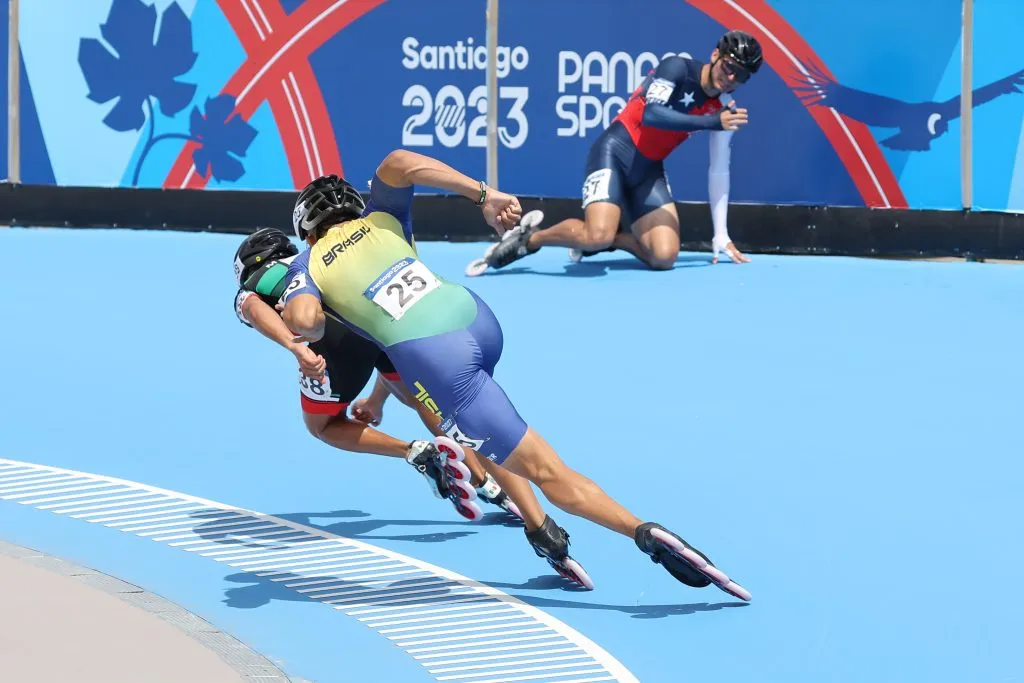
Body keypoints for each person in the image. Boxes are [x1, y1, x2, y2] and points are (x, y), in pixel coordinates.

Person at [279, 149, 752, 600]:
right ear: (352, 205)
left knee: (547, 470)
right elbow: (399, 163)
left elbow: (304, 320)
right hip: (477, 321)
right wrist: (484, 195)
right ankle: (537, 526)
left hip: (442, 363)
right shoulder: (380, 215)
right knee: (483, 429)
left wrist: (315, 321)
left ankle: (642, 531)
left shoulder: (308, 263)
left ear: (308, 232)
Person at [232, 227, 524, 522]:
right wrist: (376, 400)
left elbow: (252, 306)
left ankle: (412, 451)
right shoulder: (314, 256)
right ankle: (486, 480)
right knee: (421, 397)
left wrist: (297, 349)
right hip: (379, 327)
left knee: (323, 426)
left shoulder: (256, 283)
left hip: (328, 348)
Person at [472, 30, 763, 274]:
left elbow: (719, 170)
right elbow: (652, 115)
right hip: (614, 153)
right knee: (596, 235)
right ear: (715, 56)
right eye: (729, 67)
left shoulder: (725, 109)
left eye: (742, 76)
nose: (732, 78)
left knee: (664, 258)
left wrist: (721, 235)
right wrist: (712, 122)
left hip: (647, 171)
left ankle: (613, 237)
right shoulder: (677, 67)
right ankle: (530, 238)